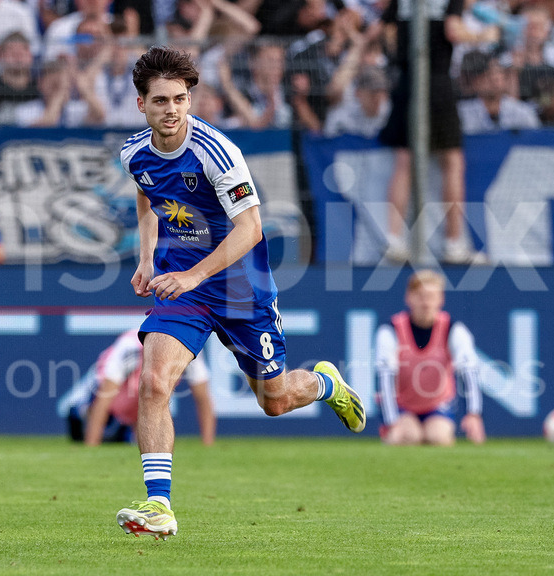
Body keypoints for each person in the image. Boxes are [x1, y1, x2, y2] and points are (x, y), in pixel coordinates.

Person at [115, 46, 365, 540]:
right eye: (160, 100)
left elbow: (250, 228)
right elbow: (146, 191)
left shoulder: (217, 152)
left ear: (190, 99)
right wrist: (146, 258)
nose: (172, 110)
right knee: (154, 382)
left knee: (274, 401)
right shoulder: (133, 153)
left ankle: (326, 385)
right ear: (141, 104)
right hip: (182, 289)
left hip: (241, 291)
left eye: (180, 99)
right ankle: (159, 505)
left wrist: (194, 275)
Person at [374, 0, 494, 264]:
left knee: (404, 160)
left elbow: (386, 30)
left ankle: (393, 238)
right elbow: (453, 30)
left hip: (407, 81)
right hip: (437, 82)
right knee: (452, 161)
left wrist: (401, 54)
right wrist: (484, 36)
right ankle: (453, 243)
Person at [375, 270, 486, 446]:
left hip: (437, 405)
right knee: (409, 436)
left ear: (441, 299)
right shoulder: (390, 330)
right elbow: (385, 378)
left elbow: (468, 370)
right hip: (402, 406)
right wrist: (391, 422)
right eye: (420, 296)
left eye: (432, 296)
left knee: (438, 438)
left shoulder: (453, 329)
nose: (426, 302)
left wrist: (474, 413)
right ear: (408, 298)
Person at [64, 328, 215, 447]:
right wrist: (91, 447)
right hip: (96, 404)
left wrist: (207, 445)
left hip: (132, 407)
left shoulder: (188, 348)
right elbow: (103, 400)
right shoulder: (130, 348)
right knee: (89, 430)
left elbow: (203, 399)